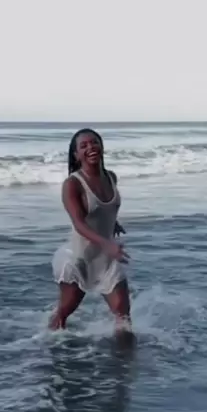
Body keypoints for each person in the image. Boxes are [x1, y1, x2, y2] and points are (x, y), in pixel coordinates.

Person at [49, 128, 132, 336]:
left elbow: (102, 209)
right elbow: (79, 223)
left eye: (94, 142)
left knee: (123, 318)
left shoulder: (111, 177)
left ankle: (125, 355)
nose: (90, 147)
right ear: (76, 155)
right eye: (83, 145)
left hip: (107, 260)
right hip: (80, 259)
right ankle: (46, 344)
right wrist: (106, 243)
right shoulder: (72, 184)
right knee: (64, 313)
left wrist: (113, 223)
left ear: (101, 146)